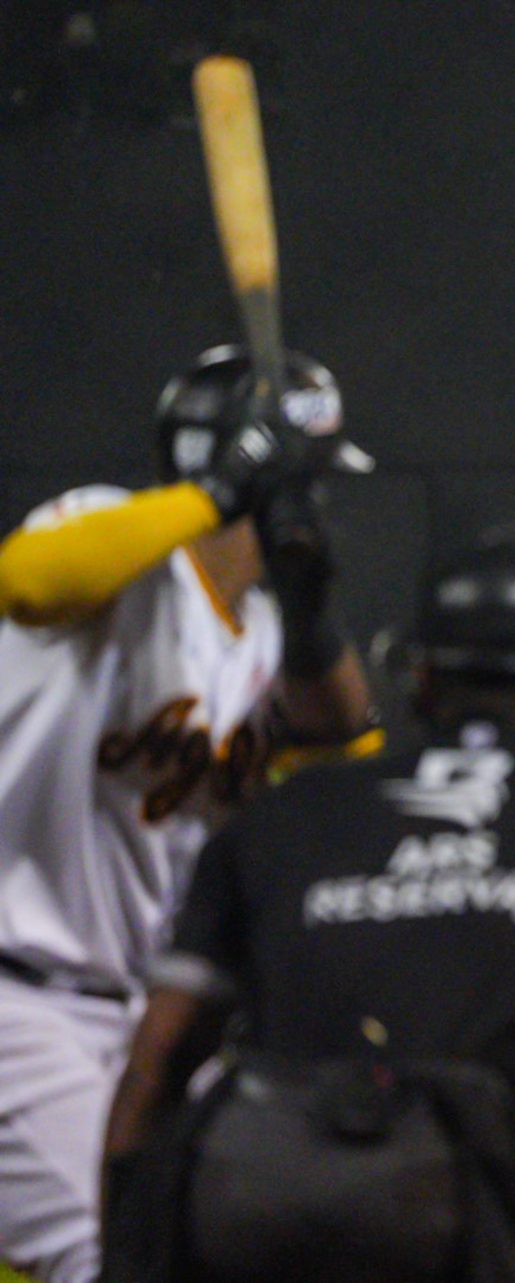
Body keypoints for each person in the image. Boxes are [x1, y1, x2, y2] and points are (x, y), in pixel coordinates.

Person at [100, 530, 515, 1283]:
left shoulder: (289, 809)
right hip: (443, 1179)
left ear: (422, 679)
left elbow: (159, 1054)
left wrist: (124, 1257)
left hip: (244, 1171)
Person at [0, 345, 377, 1283]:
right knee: (113, 1259)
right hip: (19, 1005)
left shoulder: (266, 634)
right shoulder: (113, 548)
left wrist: (312, 612)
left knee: (267, 1245)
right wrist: (215, 492)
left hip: (153, 1024)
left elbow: (349, 749)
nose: (318, 497)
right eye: (307, 476)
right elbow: (25, 580)